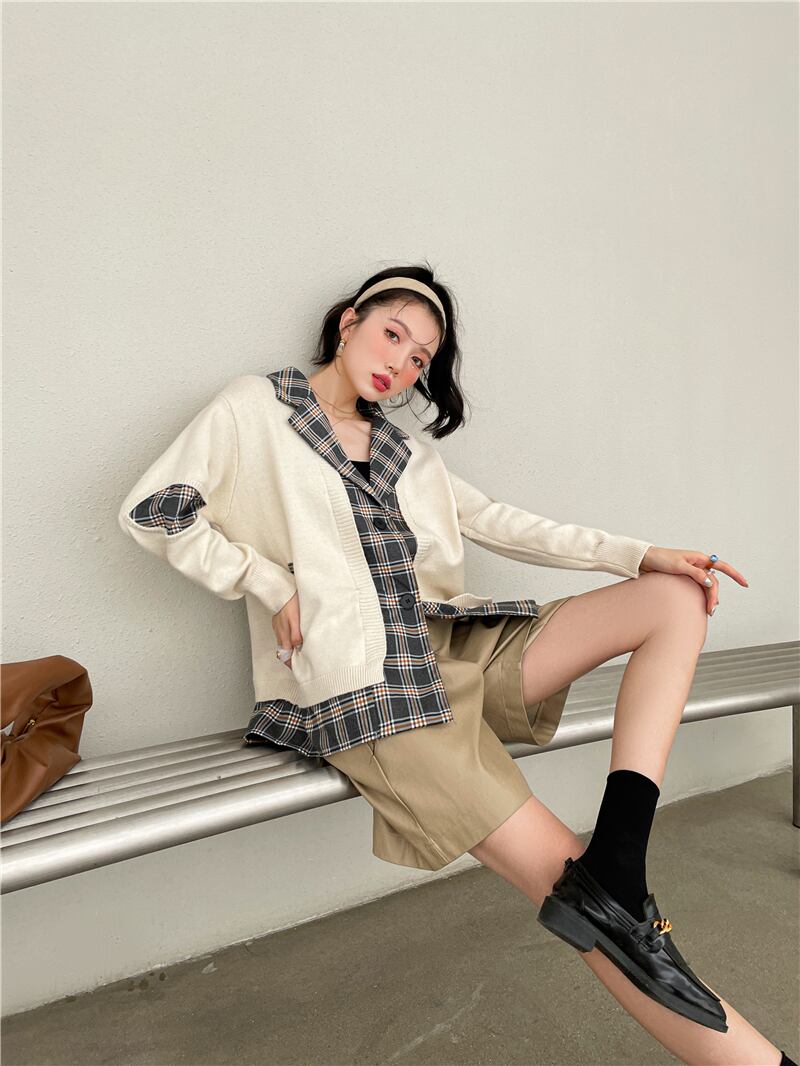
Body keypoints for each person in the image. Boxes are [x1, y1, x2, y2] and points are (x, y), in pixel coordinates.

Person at [118, 264, 795, 1066]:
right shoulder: (253, 408)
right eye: (392, 334)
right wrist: (268, 582)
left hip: (451, 651)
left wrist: (641, 553)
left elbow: (502, 522)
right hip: (369, 694)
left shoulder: (404, 452)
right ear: (349, 322)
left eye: (419, 358)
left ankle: (622, 851)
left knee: (674, 598)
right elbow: (154, 509)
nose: (400, 364)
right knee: (604, 921)